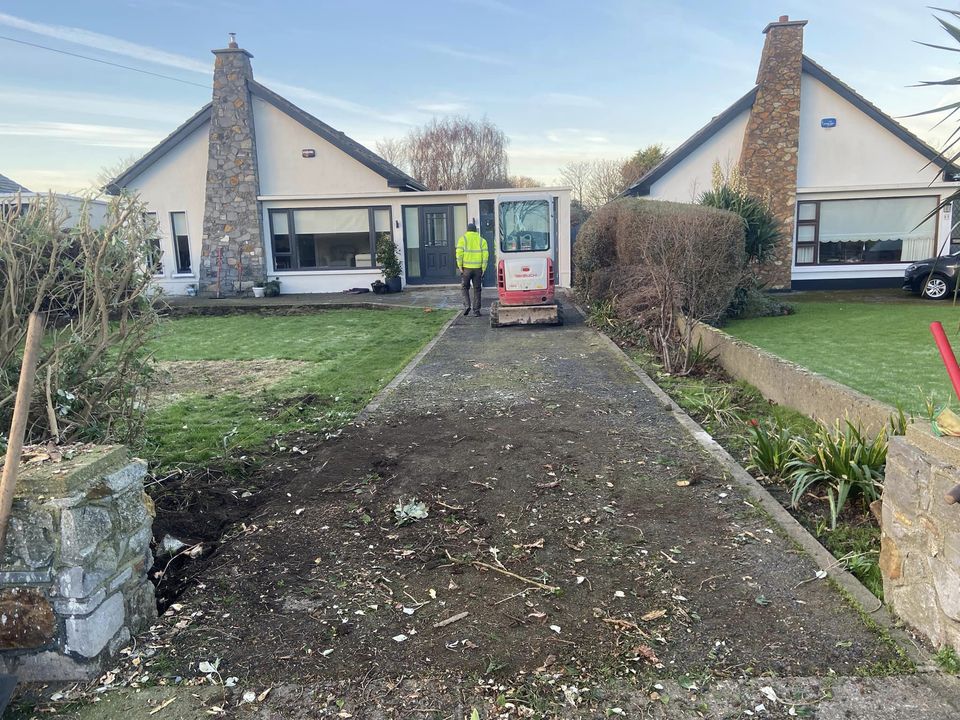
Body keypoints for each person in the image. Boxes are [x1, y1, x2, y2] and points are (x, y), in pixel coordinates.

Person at [456, 222, 489, 317]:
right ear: (476, 230)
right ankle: (476, 311)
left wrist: (460, 266)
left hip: (466, 269)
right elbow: (485, 256)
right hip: (478, 269)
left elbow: (459, 254)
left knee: (464, 287)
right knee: (477, 289)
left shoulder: (462, 239)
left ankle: (467, 305)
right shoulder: (482, 240)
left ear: (467, 230)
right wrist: (483, 268)